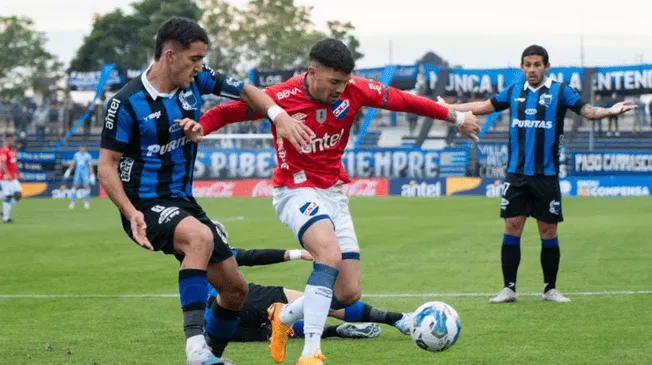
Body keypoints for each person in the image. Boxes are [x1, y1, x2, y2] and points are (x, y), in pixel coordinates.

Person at [179, 38, 480, 365]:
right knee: (328, 255)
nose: (341, 89)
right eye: (334, 82)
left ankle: (284, 317)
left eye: (345, 81)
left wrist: (456, 117)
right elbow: (227, 112)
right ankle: (310, 352)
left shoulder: (355, 90)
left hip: (334, 193)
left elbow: (404, 101)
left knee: (349, 292)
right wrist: (201, 125)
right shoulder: (281, 97)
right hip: (295, 190)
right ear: (312, 73)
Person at [97, 16, 311, 365]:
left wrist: (277, 115)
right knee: (199, 238)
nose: (200, 67)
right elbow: (106, 164)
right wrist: (130, 211)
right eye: (194, 59)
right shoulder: (126, 103)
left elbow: (245, 90)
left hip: (183, 202)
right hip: (144, 203)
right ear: (170, 56)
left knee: (234, 291)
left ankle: (210, 357)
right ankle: (195, 348)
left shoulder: (196, 81)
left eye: (202, 60)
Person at [437, 45, 636, 304]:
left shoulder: (561, 91)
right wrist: (447, 110)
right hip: (516, 175)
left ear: (546, 67)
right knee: (512, 227)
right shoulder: (514, 91)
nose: (532, 69)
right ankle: (508, 289)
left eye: (537, 64)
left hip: (546, 176)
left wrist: (609, 111)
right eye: (528, 65)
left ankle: (550, 289)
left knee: (548, 232)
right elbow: (484, 106)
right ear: (522, 67)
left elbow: (587, 110)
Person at [203, 221, 412, 344]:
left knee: (270, 329)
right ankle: (397, 319)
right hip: (247, 298)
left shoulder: (193, 261)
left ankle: (334, 331)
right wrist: (298, 253)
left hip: (218, 326)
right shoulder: (226, 254)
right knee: (318, 301)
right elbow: (254, 256)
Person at [64, 144, 95, 210]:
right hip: (77, 174)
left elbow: (90, 166)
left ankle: (86, 202)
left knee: (86, 187)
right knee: (75, 187)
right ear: (79, 148)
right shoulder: (76, 155)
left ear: (85, 149)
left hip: (85, 174)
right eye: (81, 148)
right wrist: (68, 170)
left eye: (83, 148)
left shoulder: (88, 156)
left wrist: (92, 174)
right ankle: (72, 202)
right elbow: (73, 164)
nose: (82, 149)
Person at [0, 134, 21, 223]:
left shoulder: (13, 150)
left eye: (12, 140)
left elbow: (14, 162)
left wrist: (18, 172)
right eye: (9, 140)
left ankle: (5, 211)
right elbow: (2, 163)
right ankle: (6, 218)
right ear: (6, 141)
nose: (11, 142)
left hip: (13, 177)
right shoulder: (4, 150)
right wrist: (7, 174)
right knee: (8, 196)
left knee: (18, 194)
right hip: (5, 178)